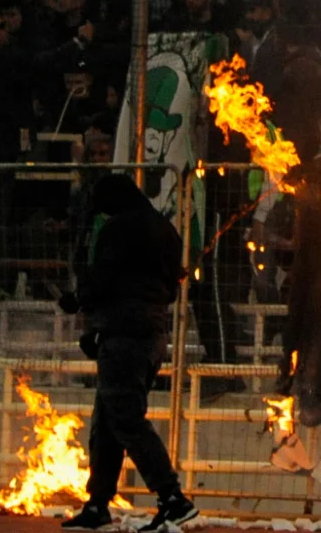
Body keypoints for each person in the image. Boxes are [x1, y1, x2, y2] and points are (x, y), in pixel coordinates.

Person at [58, 174, 198, 532]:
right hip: (151, 335)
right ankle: (97, 504)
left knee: (124, 419)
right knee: (108, 421)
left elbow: (102, 276)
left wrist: (79, 300)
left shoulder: (119, 229)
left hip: (124, 335)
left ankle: (172, 497)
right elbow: (171, 287)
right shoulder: (165, 230)